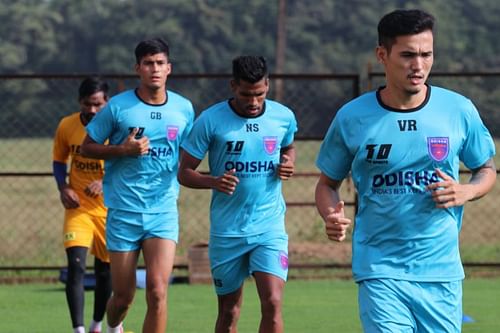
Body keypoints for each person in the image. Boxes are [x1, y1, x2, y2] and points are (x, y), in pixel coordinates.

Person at [315, 9, 496, 333]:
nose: (419, 65)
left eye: (426, 54)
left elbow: (485, 169)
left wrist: (466, 191)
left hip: (440, 271)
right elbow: (327, 183)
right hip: (379, 268)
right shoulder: (352, 117)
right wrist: (331, 215)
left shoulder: (458, 110)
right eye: (408, 55)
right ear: (382, 55)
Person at [80, 38, 194, 333]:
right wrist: (122, 150)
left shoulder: (184, 109)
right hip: (124, 212)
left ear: (169, 68)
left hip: (163, 211)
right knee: (123, 297)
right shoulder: (118, 107)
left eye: (159, 63)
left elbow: (189, 153)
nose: (154, 69)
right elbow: (87, 147)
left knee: (157, 292)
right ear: (137, 68)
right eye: (148, 63)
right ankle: (111, 325)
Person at [178, 55, 298, 333]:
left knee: (272, 301)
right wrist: (213, 181)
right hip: (227, 232)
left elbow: (288, 147)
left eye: (259, 93)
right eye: (246, 94)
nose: (253, 101)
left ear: (267, 85)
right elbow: (184, 172)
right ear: (233, 86)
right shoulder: (210, 120)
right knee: (229, 311)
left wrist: (288, 162)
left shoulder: (283, 116)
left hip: (269, 227)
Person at [52, 76, 112, 333]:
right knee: (76, 266)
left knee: (105, 272)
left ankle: (98, 324)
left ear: (106, 103)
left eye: (97, 104)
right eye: (87, 104)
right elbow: (58, 161)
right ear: (80, 101)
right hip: (78, 209)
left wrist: (103, 181)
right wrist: (63, 187)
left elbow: (128, 163)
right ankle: (78, 329)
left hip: (109, 210)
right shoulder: (67, 125)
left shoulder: (116, 127)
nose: (92, 110)